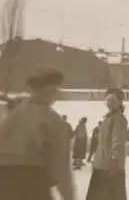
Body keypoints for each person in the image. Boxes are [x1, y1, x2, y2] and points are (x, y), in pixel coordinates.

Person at [0, 68, 75, 200]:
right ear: (51, 90)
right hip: (32, 183)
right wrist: (68, 196)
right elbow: (61, 168)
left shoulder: (12, 116)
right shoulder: (53, 120)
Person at [86, 88, 128, 200]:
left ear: (120, 101)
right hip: (102, 162)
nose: (109, 102)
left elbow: (117, 141)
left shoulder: (118, 118)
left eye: (113, 100)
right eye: (108, 99)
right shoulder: (109, 117)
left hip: (109, 166)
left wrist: (114, 160)